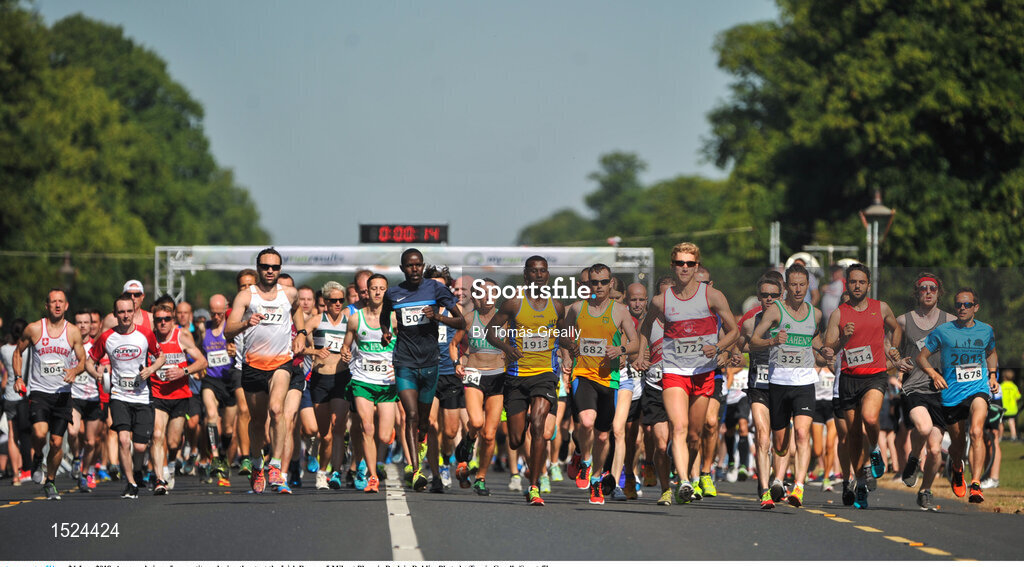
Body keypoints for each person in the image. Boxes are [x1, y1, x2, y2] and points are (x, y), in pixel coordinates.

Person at [641, 242, 738, 504]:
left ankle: (688, 474)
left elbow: (734, 331)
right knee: (680, 428)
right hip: (673, 371)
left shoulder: (712, 296)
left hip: (703, 372)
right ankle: (683, 481)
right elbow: (645, 326)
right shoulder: (661, 300)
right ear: (672, 266)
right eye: (680, 263)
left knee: (695, 435)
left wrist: (717, 347)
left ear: (697, 266)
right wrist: (642, 354)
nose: (684, 268)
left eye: (690, 264)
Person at [486, 256, 575, 506]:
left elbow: (560, 334)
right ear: (526, 275)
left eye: (543, 271)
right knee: (515, 439)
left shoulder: (556, 306)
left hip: (545, 375)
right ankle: (530, 461)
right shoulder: (514, 304)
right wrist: (506, 346)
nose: (539, 275)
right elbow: (490, 331)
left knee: (538, 426)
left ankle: (534, 485)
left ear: (548, 275)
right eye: (534, 271)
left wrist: (570, 346)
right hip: (516, 377)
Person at [379, 249, 465, 491]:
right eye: (409, 266)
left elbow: (461, 322)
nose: (414, 269)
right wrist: (386, 332)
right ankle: (416, 471)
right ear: (402, 268)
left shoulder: (436, 290)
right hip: (404, 361)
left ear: (422, 266)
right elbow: (384, 318)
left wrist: (437, 316)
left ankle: (422, 439)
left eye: (418, 265)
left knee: (424, 423)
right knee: (411, 415)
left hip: (430, 362)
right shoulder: (393, 293)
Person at [824, 263, 902, 509]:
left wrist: (894, 349)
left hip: (875, 375)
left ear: (868, 284)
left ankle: (876, 448)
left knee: (870, 418)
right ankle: (859, 482)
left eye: (861, 282)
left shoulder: (881, 308)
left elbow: (896, 328)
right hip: (848, 378)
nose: (857, 286)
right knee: (854, 435)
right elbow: (829, 349)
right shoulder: (839, 313)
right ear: (847, 284)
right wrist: (843, 339)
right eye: (853, 282)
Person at [749, 263, 827, 507]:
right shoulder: (775, 311)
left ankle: (799, 487)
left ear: (808, 287)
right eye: (793, 284)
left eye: (802, 285)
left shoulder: (816, 314)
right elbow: (753, 341)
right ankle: (769, 486)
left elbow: (816, 346)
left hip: (804, 382)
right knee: (780, 444)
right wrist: (772, 341)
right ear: (786, 286)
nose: (797, 289)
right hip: (778, 381)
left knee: (803, 433)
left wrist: (826, 353)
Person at [225, 248, 300, 493]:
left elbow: (297, 312)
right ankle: (258, 465)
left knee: (277, 410)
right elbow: (228, 330)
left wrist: (301, 334)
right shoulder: (246, 296)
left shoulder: (289, 294)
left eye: (275, 267)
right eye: (266, 266)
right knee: (257, 421)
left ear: (280, 269)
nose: (270, 271)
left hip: (281, 362)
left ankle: (276, 465)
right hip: (253, 364)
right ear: (258, 268)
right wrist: (246, 322)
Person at [564, 264, 639, 504]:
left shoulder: (620, 311)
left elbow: (636, 342)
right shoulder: (577, 308)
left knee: (604, 437)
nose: (599, 287)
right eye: (594, 283)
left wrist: (621, 349)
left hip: (609, 378)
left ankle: (596, 481)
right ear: (588, 285)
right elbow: (563, 333)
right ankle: (585, 461)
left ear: (611, 284)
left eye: (603, 282)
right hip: (583, 374)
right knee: (586, 421)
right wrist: (570, 348)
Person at [918, 287, 998, 504]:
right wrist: (934, 374)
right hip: (952, 393)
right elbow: (922, 357)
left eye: (967, 305)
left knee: (976, 431)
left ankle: (977, 484)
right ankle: (957, 466)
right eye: (958, 305)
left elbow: (991, 353)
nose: (962, 308)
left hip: (978, 388)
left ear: (976, 307)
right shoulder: (943, 331)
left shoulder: (986, 330)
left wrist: (992, 375)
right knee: (957, 443)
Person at [87, 292, 165, 498]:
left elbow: (161, 356)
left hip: (142, 395)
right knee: (123, 440)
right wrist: (97, 375)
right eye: (121, 312)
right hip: (119, 394)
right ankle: (130, 483)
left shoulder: (146, 334)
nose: (125, 315)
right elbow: (89, 361)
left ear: (134, 311)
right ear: (115, 313)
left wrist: (151, 369)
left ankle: (137, 470)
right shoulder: (107, 337)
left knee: (140, 446)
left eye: (129, 311)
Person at [12, 289, 88, 500]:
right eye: (53, 302)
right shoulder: (35, 329)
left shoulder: (72, 332)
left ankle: (51, 481)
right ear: (47, 306)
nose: (56, 305)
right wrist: (18, 377)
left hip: (62, 394)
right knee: (38, 433)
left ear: (66, 306)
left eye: (60, 302)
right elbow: (18, 352)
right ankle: (38, 458)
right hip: (39, 392)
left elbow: (82, 360)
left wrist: (75, 370)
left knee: (56, 442)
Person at [342, 273, 399, 494]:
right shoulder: (356, 318)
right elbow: (346, 346)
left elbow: (405, 347)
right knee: (367, 427)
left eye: (381, 288)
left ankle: (387, 438)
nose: (377, 292)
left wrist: (399, 367)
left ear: (387, 291)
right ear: (366, 291)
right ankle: (372, 476)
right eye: (373, 288)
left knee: (384, 436)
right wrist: (345, 354)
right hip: (362, 379)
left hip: (387, 382)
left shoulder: (394, 318)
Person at [453, 278, 506, 496]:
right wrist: (457, 363)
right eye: (483, 293)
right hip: (474, 375)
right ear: (474, 297)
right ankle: (468, 440)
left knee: (490, 435)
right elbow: (453, 344)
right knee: (476, 422)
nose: (487, 298)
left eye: (492, 293)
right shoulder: (468, 318)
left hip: (498, 377)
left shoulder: (506, 319)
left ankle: (481, 478)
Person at [296, 281, 351, 490]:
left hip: (341, 379)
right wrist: (315, 352)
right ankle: (322, 470)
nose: (337, 304)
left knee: (338, 428)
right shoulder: (316, 320)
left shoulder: (350, 322)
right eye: (333, 300)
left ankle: (335, 473)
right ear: (325, 302)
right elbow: (298, 347)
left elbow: (360, 344)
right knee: (324, 434)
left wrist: (349, 353)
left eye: (340, 300)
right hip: (320, 381)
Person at [150, 303, 207, 494]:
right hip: (157, 395)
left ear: (172, 320)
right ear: (154, 321)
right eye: (159, 320)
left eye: (167, 319)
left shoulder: (181, 337)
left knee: (173, 443)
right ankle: (159, 479)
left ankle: (172, 464)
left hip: (180, 396)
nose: (163, 323)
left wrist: (183, 371)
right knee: (157, 435)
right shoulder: (149, 339)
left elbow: (202, 362)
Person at [199, 294, 238, 487]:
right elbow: (196, 352)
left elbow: (245, 350)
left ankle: (222, 454)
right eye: (213, 313)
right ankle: (214, 457)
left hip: (229, 382)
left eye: (219, 314)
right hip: (211, 381)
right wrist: (197, 366)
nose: (216, 317)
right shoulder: (203, 329)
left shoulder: (232, 328)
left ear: (226, 310)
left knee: (229, 430)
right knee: (211, 416)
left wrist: (235, 351)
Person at [69, 309, 103, 492]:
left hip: (93, 397)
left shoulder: (97, 346)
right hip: (74, 396)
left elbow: (106, 365)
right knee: (73, 432)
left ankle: (85, 474)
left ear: (91, 326)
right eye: (78, 322)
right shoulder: (69, 344)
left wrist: (103, 374)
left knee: (91, 442)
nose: (82, 326)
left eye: (85, 322)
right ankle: (75, 457)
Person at [1000, 369, 1019, 441]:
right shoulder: (1014, 387)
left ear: (1004, 377)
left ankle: (1000, 436)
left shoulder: (1001, 386)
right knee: (1011, 422)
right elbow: (1017, 397)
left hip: (1003, 408)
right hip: (1012, 409)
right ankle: (1014, 436)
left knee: (1001, 423)